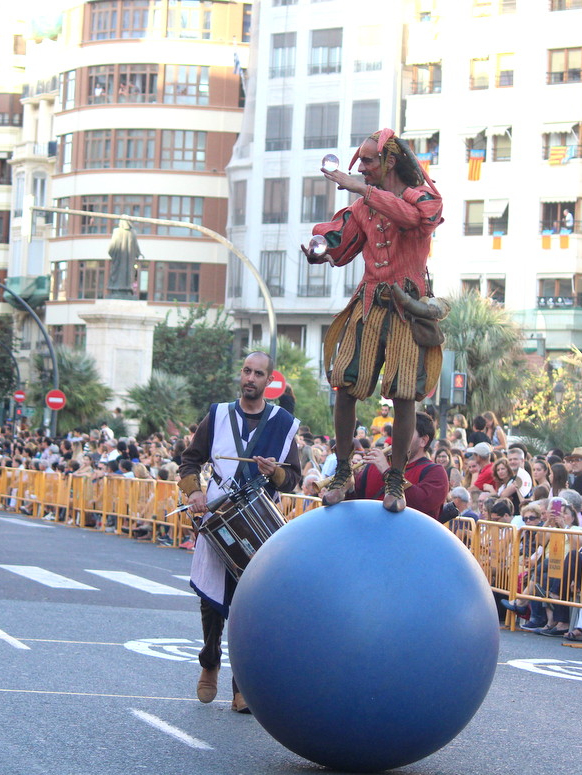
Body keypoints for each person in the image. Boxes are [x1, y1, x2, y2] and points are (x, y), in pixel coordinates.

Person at [306, 129, 444, 513]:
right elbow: (342, 242)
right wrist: (320, 251)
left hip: (406, 309)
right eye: (360, 163)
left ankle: (396, 482)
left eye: (368, 161)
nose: (361, 169)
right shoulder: (363, 208)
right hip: (368, 302)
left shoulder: (422, 199)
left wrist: (361, 189)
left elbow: (413, 217)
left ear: (390, 162)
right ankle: (343, 472)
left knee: (403, 396)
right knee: (344, 386)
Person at [178, 352, 303, 713]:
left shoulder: (282, 423)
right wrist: (195, 491)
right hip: (216, 517)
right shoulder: (217, 414)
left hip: (257, 522)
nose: (250, 378)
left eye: (258, 373)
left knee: (248, 606)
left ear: (269, 381)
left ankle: (241, 684)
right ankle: (209, 663)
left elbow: (292, 479)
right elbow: (190, 460)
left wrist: (274, 472)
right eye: (246, 370)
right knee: (211, 600)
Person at [350, 412, 448, 519]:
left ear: (423, 441)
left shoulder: (435, 472)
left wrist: (387, 471)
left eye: (405, 432)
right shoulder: (374, 465)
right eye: (396, 431)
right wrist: (349, 481)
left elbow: (421, 505)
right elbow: (354, 502)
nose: (397, 437)